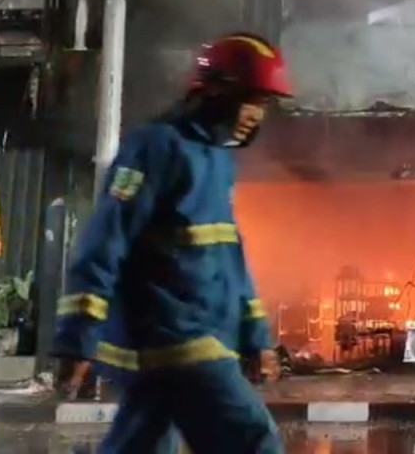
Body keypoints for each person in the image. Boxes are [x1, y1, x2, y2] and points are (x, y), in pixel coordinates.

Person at [52, 33, 293, 454]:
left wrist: (255, 337)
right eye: (252, 99)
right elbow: (106, 240)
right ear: (217, 89)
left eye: (265, 104)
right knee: (255, 442)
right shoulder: (156, 148)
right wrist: (77, 339)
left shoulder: (217, 159)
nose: (257, 115)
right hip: (176, 340)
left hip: (191, 343)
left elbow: (228, 258)